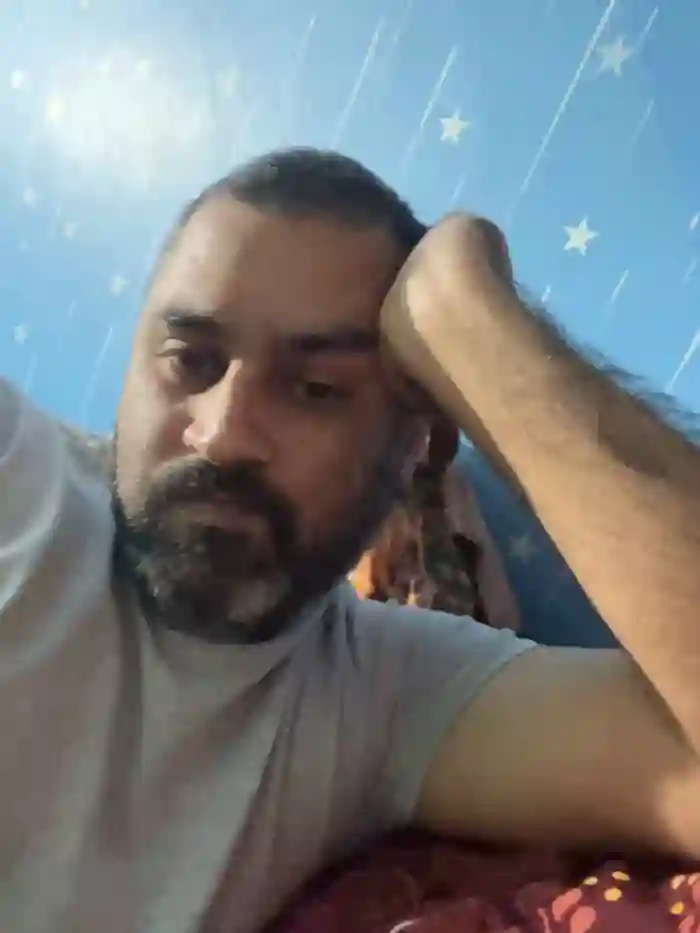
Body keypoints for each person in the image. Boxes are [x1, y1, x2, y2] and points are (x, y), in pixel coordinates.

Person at [1, 147, 699, 933]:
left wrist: (466, 315)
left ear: (417, 446)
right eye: (190, 360)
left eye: (315, 389)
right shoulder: (20, 480)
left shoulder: (389, 695)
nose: (223, 434)